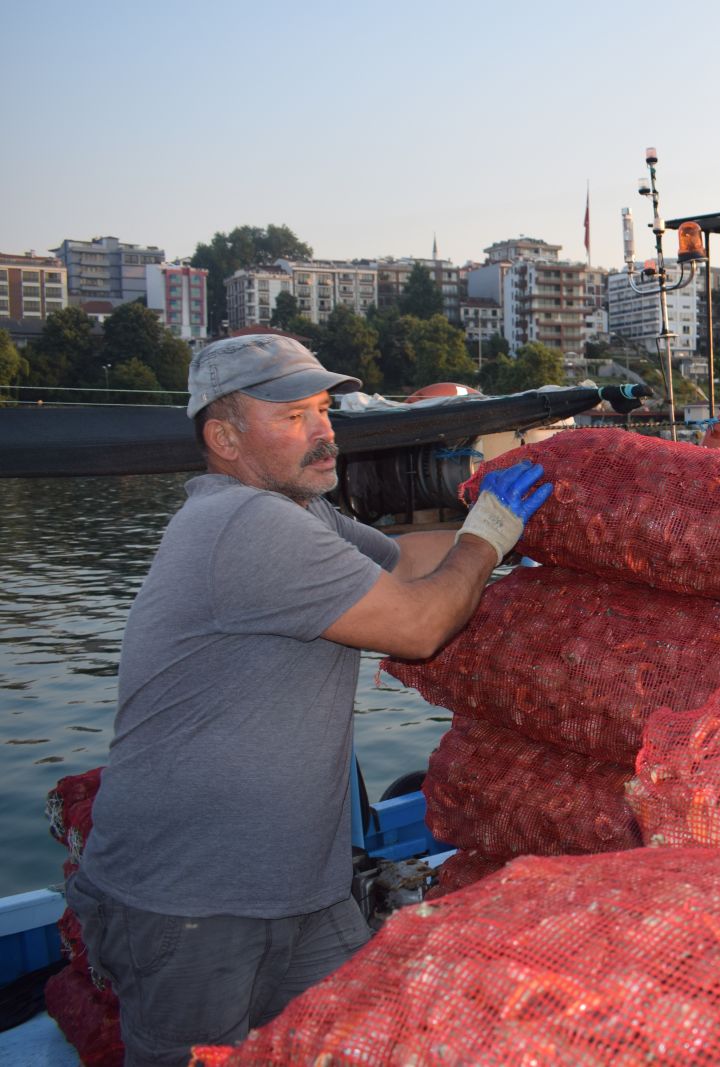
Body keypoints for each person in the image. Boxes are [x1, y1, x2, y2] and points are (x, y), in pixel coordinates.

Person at [63, 333, 551, 1066]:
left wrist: (537, 536)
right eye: (292, 416)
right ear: (224, 437)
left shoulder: (299, 514)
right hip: (196, 904)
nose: (324, 430)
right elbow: (419, 624)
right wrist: (491, 532)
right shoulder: (245, 526)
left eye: (323, 408)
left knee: (359, 1042)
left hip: (303, 890)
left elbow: (412, 561)